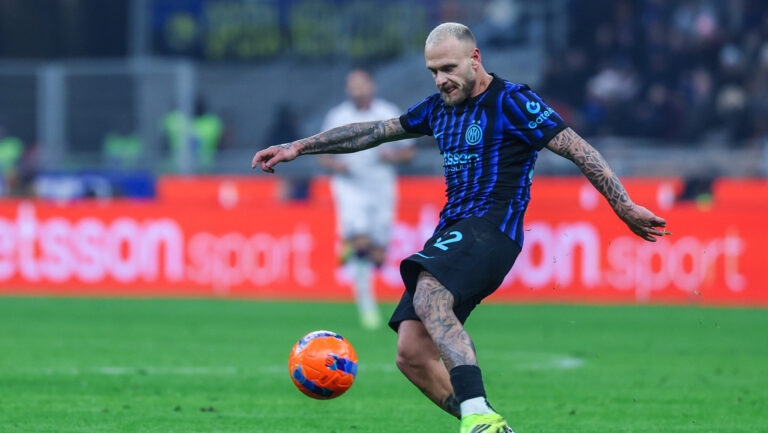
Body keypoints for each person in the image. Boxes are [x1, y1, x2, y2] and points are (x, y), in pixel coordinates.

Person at [252, 22, 667, 433]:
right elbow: (375, 132)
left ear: (475, 58)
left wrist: (624, 205)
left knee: (430, 293)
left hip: (492, 228)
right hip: (454, 228)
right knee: (412, 354)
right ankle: (486, 421)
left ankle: (479, 415)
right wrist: (298, 147)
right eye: (433, 71)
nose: (441, 80)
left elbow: (577, 148)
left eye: (448, 68)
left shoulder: (512, 101)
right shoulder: (438, 108)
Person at [319, 68, 415, 330]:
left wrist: (392, 157)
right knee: (361, 241)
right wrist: (336, 166)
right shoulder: (338, 116)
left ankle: (350, 245)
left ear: (372, 86)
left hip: (382, 187)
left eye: (361, 85)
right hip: (349, 186)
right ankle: (366, 306)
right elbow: (322, 156)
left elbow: (409, 152)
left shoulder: (388, 112)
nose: (357, 90)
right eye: (353, 86)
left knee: (378, 257)